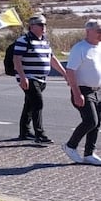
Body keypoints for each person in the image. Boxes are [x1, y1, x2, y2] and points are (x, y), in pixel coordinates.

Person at [13, 14, 67, 143]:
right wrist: (22, 77)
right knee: (38, 103)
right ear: (32, 27)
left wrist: (65, 74)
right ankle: (40, 135)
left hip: (42, 79)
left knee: (29, 105)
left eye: (45, 25)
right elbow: (17, 60)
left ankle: (24, 132)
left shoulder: (45, 40)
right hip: (29, 78)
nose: (44, 27)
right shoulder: (23, 40)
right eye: (40, 25)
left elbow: (52, 59)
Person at [61, 19, 101, 166]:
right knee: (91, 121)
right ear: (88, 31)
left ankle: (89, 153)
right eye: (98, 30)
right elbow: (70, 71)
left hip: (97, 90)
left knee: (97, 124)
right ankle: (70, 146)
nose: (100, 33)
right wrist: (76, 93)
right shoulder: (80, 48)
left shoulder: (99, 47)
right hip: (83, 90)